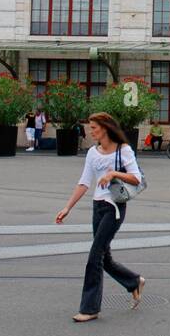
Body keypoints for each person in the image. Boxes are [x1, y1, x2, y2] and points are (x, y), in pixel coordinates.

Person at [55, 113, 145, 323]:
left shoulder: (123, 149)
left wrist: (114, 174)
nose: (91, 131)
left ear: (105, 128)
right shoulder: (92, 153)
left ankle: (90, 308)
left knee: (95, 256)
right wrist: (67, 207)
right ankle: (133, 281)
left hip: (115, 208)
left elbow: (136, 178)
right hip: (98, 207)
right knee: (105, 257)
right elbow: (84, 182)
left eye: (94, 127)